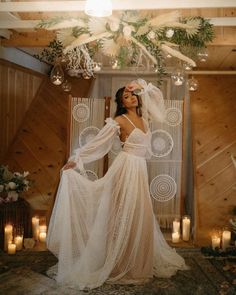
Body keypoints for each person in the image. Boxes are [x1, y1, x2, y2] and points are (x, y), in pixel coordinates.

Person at [47, 79, 188, 290]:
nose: (130, 98)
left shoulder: (145, 118)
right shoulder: (119, 120)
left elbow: (157, 100)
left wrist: (140, 85)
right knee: (123, 215)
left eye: (132, 95)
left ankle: (139, 265)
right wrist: (77, 158)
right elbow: (99, 143)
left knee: (141, 216)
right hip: (126, 169)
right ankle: (121, 264)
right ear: (121, 103)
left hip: (139, 170)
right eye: (125, 97)